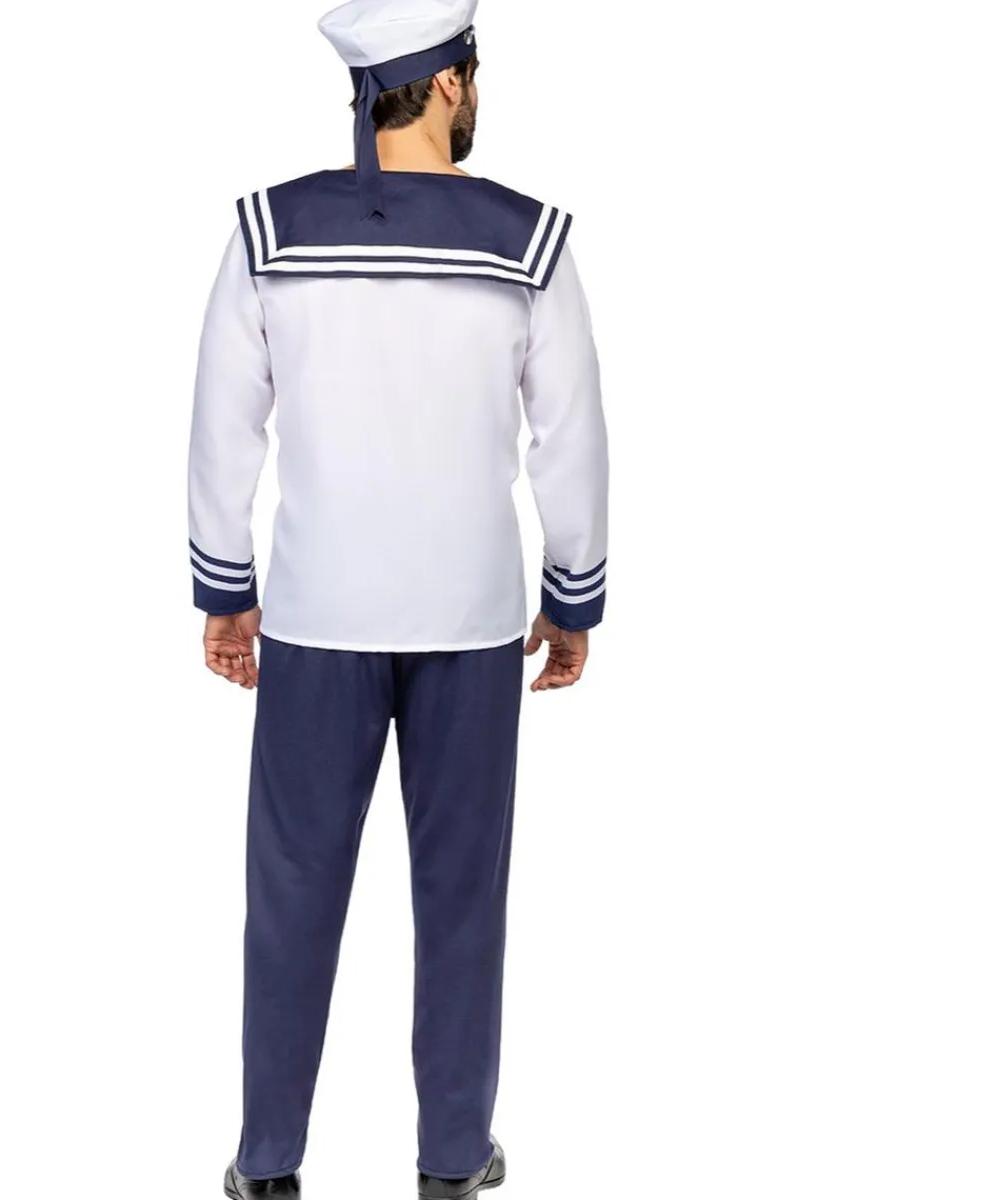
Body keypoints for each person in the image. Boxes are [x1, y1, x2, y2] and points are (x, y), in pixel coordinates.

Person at [187, 1, 608, 1195]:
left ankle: (268, 1164)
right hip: (471, 620)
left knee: (291, 896)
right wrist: (572, 597)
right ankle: (453, 1160)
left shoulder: (273, 230)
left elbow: (223, 425)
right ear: (451, 82)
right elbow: (571, 437)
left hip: (317, 614)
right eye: (477, 72)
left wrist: (226, 587)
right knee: (462, 899)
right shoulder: (526, 241)